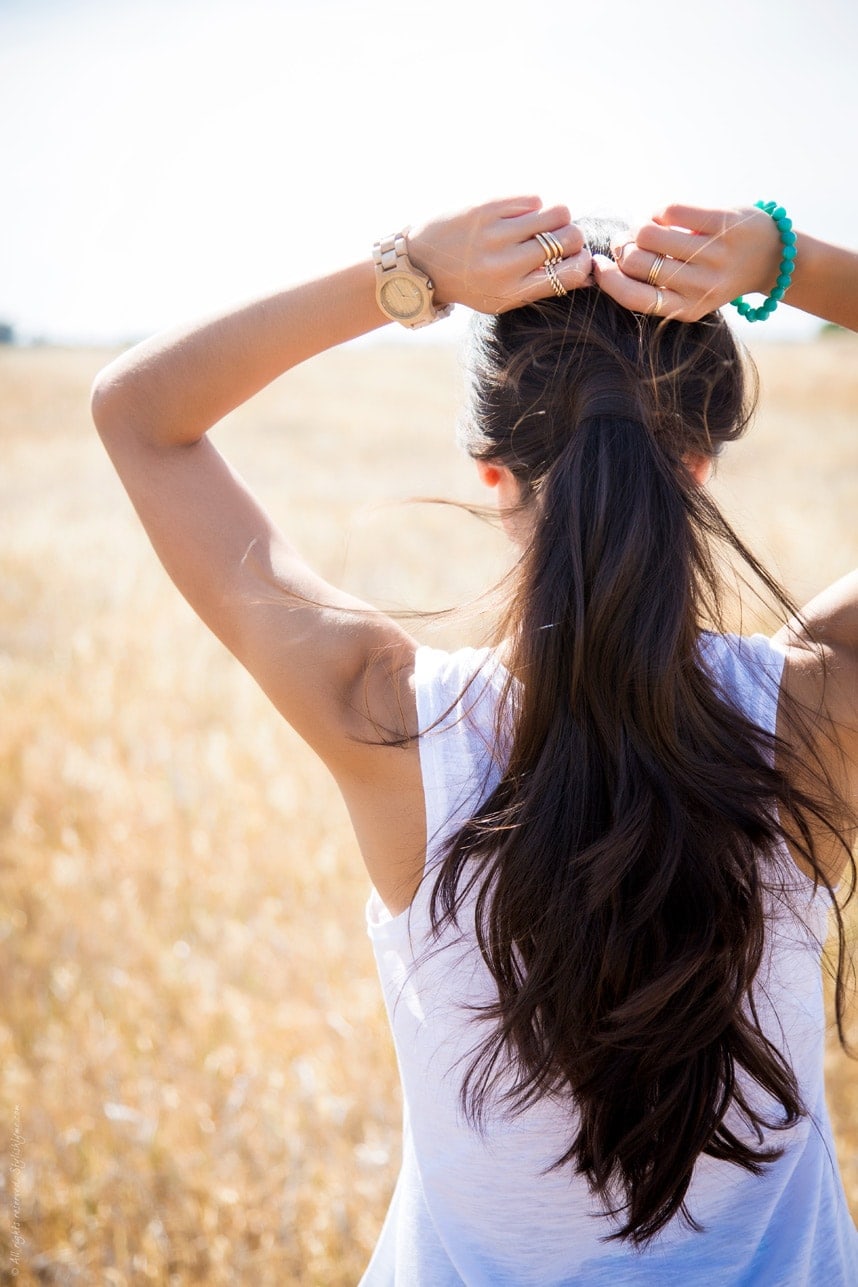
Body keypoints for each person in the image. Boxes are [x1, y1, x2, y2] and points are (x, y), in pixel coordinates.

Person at [91, 197, 858, 1284]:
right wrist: (789, 259)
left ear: (493, 475)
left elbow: (138, 410)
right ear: (698, 466)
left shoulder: (392, 721)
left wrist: (406, 276)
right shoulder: (815, 712)